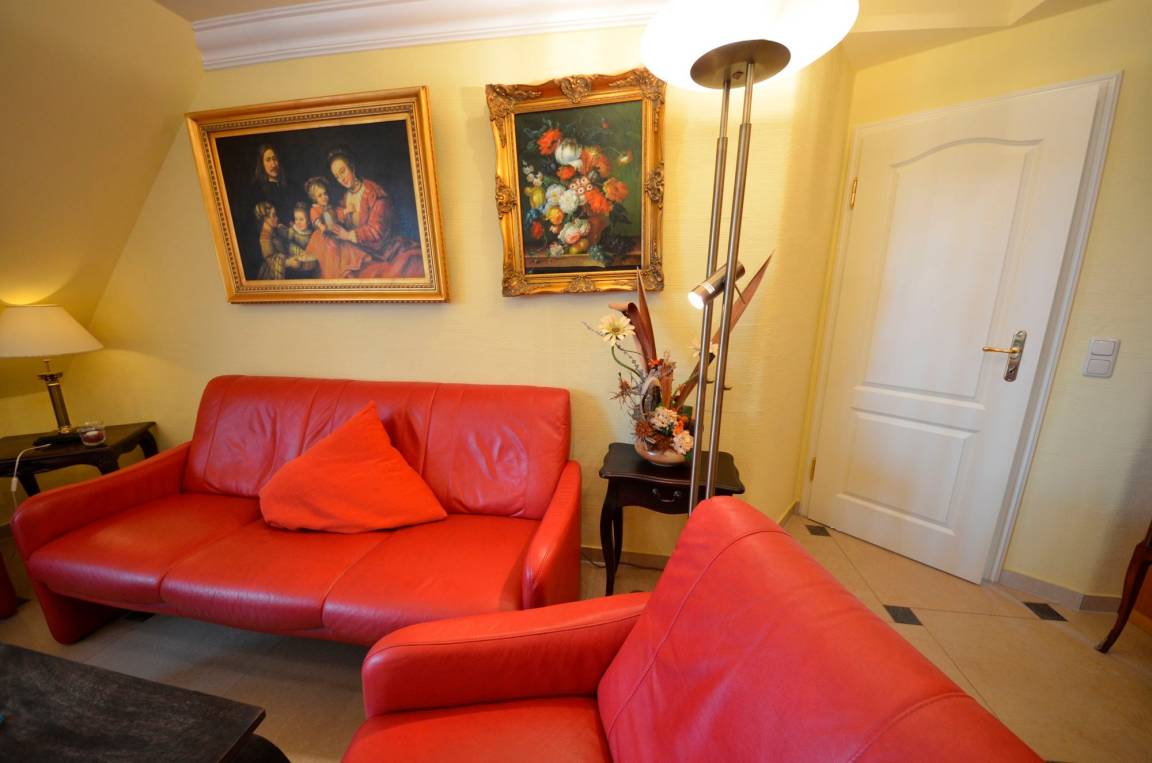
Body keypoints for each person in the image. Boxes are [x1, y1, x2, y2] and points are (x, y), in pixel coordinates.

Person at [325, 148, 424, 279]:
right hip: (359, 251)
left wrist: (348, 235)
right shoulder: (346, 196)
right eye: (337, 176)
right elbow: (338, 213)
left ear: (352, 167)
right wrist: (340, 216)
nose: (341, 179)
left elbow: (376, 231)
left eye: (342, 171)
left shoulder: (374, 193)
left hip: (381, 253)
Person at [303, 176, 368, 278]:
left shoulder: (331, 208)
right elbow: (315, 219)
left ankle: (342, 270)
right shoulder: (315, 209)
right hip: (323, 237)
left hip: (335, 233)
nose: (324, 197)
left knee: (344, 249)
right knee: (330, 253)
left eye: (325, 194)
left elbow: (338, 213)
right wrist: (321, 226)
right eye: (320, 195)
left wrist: (347, 210)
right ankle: (332, 274)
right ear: (314, 198)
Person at [253, 201, 294, 280]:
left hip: (284, 268)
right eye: (274, 215)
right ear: (265, 219)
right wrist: (288, 263)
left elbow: (285, 244)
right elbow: (269, 260)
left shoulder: (274, 230)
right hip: (272, 274)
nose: (277, 218)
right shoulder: (265, 236)